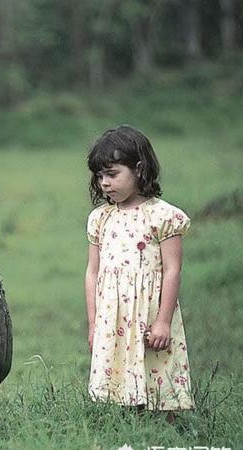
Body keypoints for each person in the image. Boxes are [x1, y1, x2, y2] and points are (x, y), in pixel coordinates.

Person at [84, 125, 194, 422]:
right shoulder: (101, 218)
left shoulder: (163, 216)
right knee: (118, 371)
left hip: (149, 310)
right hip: (113, 313)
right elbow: (92, 272)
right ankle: (129, 426)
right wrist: (94, 322)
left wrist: (163, 321)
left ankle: (166, 428)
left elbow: (173, 270)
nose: (104, 183)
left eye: (112, 174)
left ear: (139, 169)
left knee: (157, 368)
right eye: (100, 176)